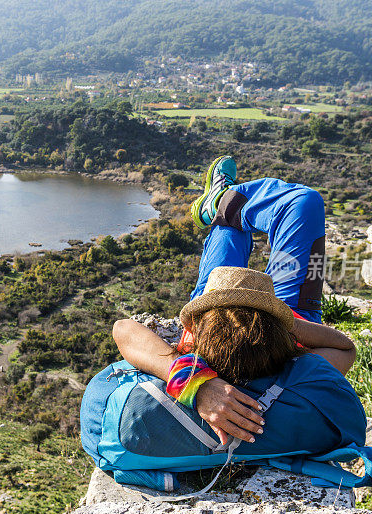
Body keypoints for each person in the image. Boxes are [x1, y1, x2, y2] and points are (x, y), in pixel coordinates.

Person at [113, 156, 356, 446]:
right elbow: (346, 348)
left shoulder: (197, 354)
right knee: (303, 203)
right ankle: (220, 202)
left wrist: (194, 385)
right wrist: (285, 322)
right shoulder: (295, 368)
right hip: (291, 310)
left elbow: (123, 329)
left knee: (230, 229)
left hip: (216, 297)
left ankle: (221, 203)